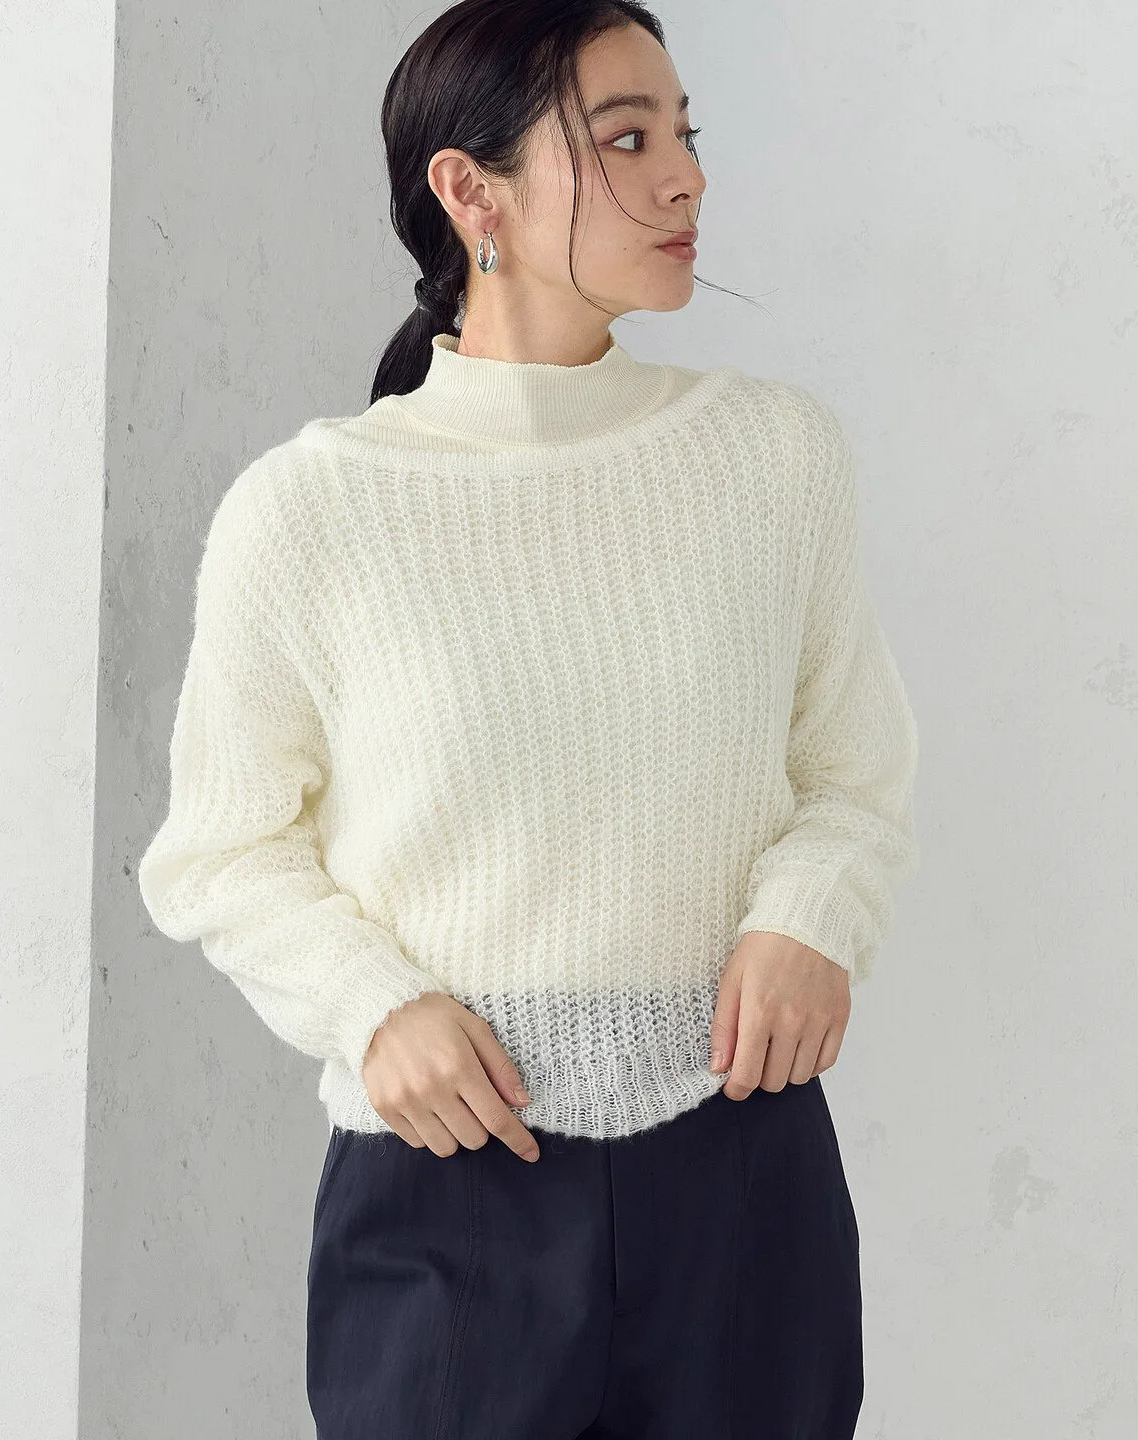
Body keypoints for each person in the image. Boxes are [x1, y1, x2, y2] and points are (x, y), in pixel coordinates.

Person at [137, 2, 921, 1436]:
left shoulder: (774, 457)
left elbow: (852, 773)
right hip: (448, 1187)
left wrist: (812, 914)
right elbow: (219, 851)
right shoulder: (314, 509)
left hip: (744, 1168)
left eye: (684, 133)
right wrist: (374, 1010)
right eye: (625, 138)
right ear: (470, 191)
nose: (684, 177)